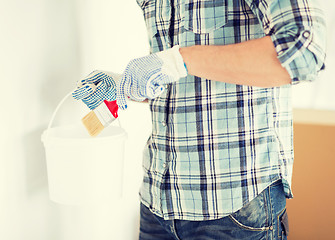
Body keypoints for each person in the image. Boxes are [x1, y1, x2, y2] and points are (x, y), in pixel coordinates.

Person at [73, 0, 326, 239]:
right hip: (156, 205)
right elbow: (185, 81)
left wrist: (178, 60)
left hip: (235, 213)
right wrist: (127, 85)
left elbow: (304, 53)